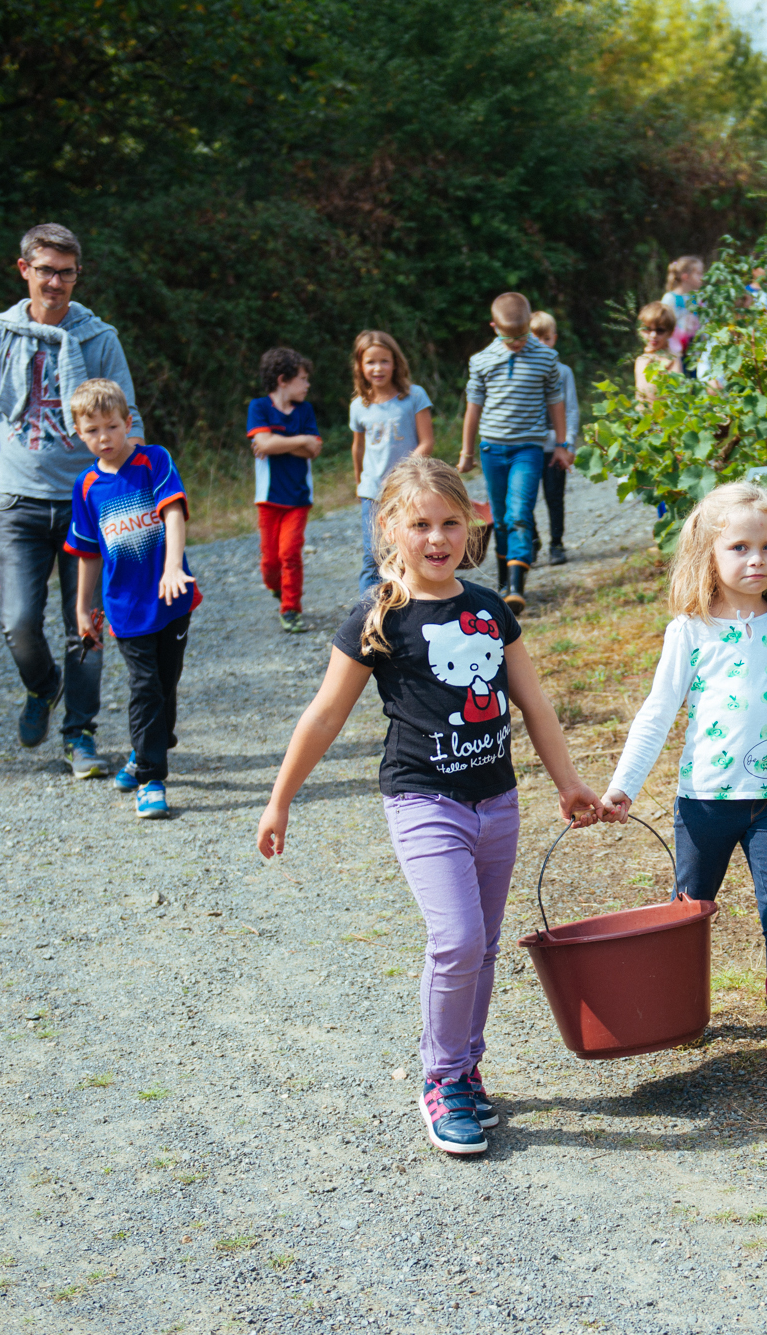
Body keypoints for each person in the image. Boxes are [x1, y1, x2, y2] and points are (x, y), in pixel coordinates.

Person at [256, 457, 601, 1155]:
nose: (437, 538)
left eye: (450, 523)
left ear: (472, 524)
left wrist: (568, 783)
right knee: (456, 940)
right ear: (390, 527)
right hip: (422, 800)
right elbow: (324, 715)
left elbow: (532, 702)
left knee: (485, 946)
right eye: (421, 524)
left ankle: (468, 1067)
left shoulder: (488, 608)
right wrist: (279, 800)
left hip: (496, 799)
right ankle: (440, 1078)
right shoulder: (377, 615)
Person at [599, 482, 767, 1090]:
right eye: (739, 546)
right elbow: (657, 713)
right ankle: (676, 1014)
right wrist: (623, 787)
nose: (756, 560)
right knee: (689, 911)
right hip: (706, 802)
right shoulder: (689, 630)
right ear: (708, 553)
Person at [0, 222, 144, 779]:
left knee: (88, 625)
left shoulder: (99, 338)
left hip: (87, 505)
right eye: (46, 270)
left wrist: (137, 488)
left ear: (77, 274)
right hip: (20, 500)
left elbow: (130, 419)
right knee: (19, 622)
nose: (56, 282)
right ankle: (43, 685)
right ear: (24, 269)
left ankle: (80, 735)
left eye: (66, 272)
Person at [61, 379, 199, 820]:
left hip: (172, 599)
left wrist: (173, 566)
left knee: (166, 683)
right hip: (126, 608)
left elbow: (173, 511)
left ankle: (145, 751)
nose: (104, 438)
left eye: (112, 427)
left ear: (128, 423)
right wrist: (83, 609)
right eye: (93, 431)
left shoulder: (152, 460)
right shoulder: (85, 488)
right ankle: (151, 778)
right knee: (144, 688)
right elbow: (86, 554)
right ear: (78, 435)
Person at [455, 292, 566, 614]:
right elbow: (472, 408)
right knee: (501, 518)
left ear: (530, 325)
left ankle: (516, 587)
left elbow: (555, 401)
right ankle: (504, 584)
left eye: (522, 335)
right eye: (509, 337)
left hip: (528, 450)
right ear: (494, 327)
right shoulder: (481, 361)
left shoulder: (546, 358)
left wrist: (561, 444)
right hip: (492, 449)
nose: (517, 343)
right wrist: (466, 451)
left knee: (520, 513)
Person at [349, 330, 434, 595]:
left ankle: (410, 601)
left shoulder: (413, 396)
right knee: (372, 555)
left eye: (384, 361)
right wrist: (359, 482)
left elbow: (426, 442)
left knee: (407, 550)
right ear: (360, 366)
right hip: (372, 494)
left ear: (395, 362)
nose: (378, 368)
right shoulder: (358, 406)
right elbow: (358, 448)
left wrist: (403, 473)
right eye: (370, 362)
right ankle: (368, 615)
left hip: (407, 491)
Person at [248, 347, 323, 633]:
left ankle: (291, 608)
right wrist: (299, 440)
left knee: (290, 553)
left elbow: (313, 449)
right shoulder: (259, 407)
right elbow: (263, 445)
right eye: (302, 379)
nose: (307, 385)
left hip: (299, 498)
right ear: (283, 380)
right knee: (270, 561)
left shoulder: (305, 410)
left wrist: (278, 442)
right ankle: (278, 589)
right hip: (268, 499)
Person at [526, 311, 578, 567]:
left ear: (554, 339)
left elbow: (570, 410)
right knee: (526, 498)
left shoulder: (563, 372)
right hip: (529, 447)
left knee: (554, 496)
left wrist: (567, 443)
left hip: (555, 447)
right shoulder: (525, 372)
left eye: (546, 338)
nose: (541, 344)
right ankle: (532, 541)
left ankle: (556, 543)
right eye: (535, 338)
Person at [663, 255, 705, 378]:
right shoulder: (670, 298)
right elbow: (665, 324)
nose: (702, 278)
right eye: (698, 274)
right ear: (685, 277)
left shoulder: (699, 297)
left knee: (695, 382)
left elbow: (704, 321)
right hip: (676, 350)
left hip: (696, 349)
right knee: (679, 380)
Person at [633, 302, 681, 403]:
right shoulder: (641, 360)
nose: (653, 335)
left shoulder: (672, 360)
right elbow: (639, 395)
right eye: (647, 329)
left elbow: (677, 393)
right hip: (645, 416)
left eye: (660, 331)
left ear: (670, 332)